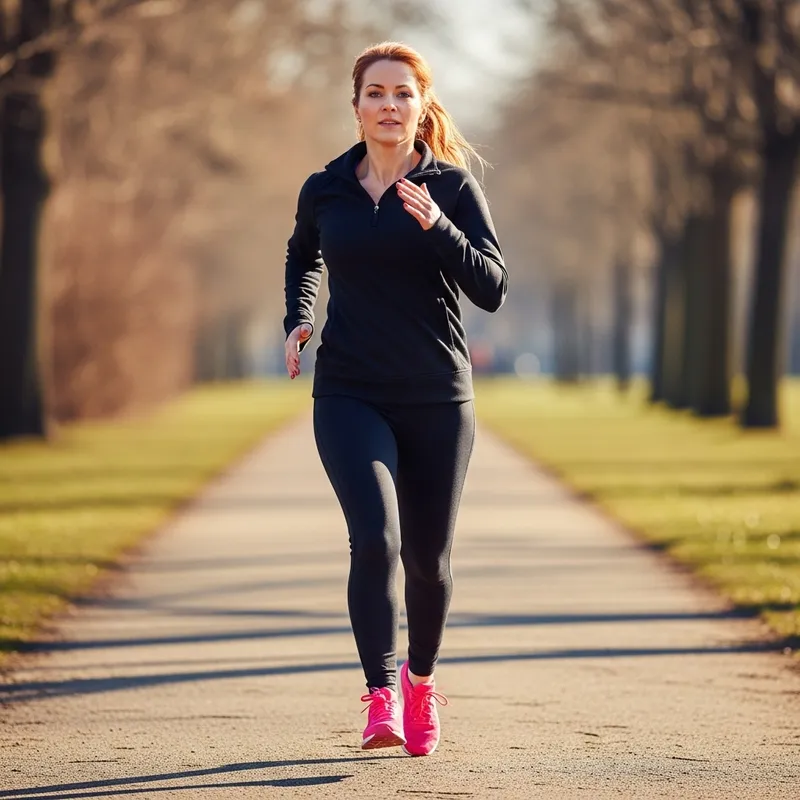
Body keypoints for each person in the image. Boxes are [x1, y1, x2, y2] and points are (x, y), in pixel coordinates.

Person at [282, 41, 508, 757]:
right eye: (375, 93)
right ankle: (380, 697)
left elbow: (492, 289)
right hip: (349, 390)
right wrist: (299, 317)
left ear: (421, 104)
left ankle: (421, 684)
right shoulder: (326, 189)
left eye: (401, 93)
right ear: (355, 107)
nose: (388, 105)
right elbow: (303, 254)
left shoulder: (452, 188)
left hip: (437, 396)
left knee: (428, 560)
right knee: (374, 541)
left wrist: (436, 227)